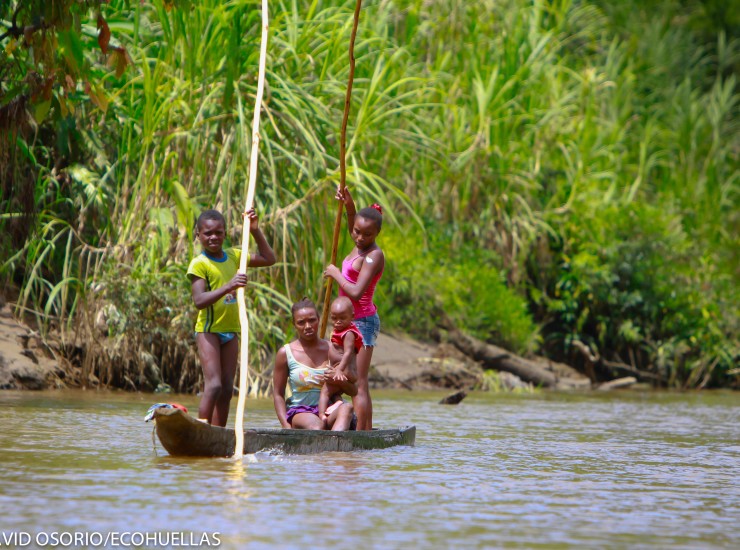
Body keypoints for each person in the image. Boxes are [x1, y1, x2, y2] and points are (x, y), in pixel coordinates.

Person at [187, 207, 276, 427]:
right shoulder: (199, 263)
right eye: (207, 233)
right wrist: (229, 286)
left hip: (231, 330)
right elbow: (199, 300)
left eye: (218, 232)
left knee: (227, 389)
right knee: (214, 385)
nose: (213, 237)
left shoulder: (234, 256)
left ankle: (218, 432)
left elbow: (269, 258)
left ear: (225, 233)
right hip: (209, 331)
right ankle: (201, 428)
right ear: (198, 235)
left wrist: (255, 230)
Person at [323, 187, 384, 430]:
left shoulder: (374, 255)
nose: (359, 237)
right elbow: (353, 222)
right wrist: (349, 205)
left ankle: (363, 433)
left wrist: (335, 273)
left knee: (359, 382)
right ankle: (358, 429)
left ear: (376, 234)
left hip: (363, 322)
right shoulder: (358, 245)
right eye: (357, 232)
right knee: (344, 376)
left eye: (367, 235)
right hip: (348, 322)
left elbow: (357, 291)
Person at [273, 298, 356, 431]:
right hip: (301, 411)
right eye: (301, 322)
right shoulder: (285, 353)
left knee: (347, 408)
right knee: (317, 426)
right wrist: (285, 426)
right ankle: (331, 441)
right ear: (294, 324)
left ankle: (335, 443)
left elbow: (353, 390)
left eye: (312, 320)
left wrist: (339, 380)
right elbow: (278, 394)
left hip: (328, 410)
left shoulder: (333, 349)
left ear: (319, 319)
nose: (307, 326)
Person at [318, 296, 361, 420]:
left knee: (325, 392)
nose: (338, 321)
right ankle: (338, 402)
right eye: (334, 318)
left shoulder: (348, 333)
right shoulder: (339, 331)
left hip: (343, 370)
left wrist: (339, 370)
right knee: (334, 391)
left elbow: (348, 353)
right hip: (342, 370)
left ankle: (321, 415)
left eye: (342, 318)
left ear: (352, 317)